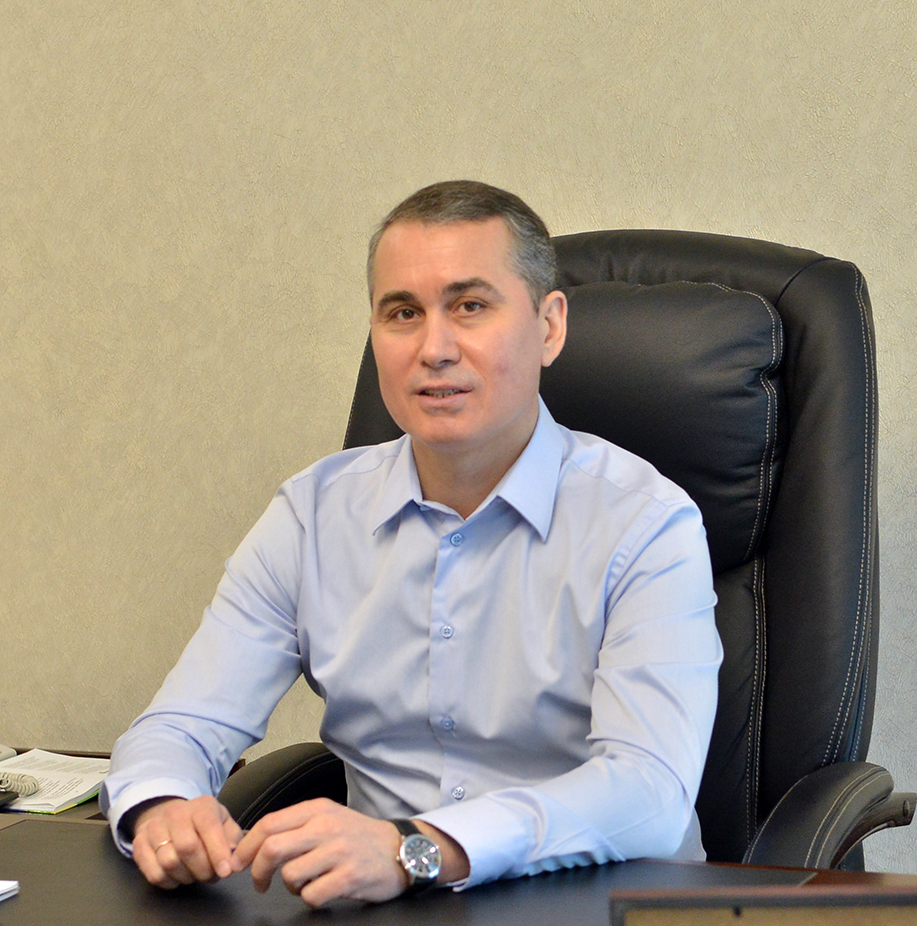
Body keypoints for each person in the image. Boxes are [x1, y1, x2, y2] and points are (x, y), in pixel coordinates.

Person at [100, 180, 722, 907]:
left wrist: (419, 848)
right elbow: (180, 726)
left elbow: (649, 792)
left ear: (550, 326)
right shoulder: (312, 515)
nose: (434, 349)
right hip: (381, 907)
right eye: (403, 313)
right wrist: (164, 807)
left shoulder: (645, 525)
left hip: (598, 903)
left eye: (470, 306)